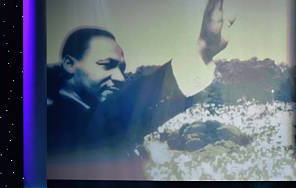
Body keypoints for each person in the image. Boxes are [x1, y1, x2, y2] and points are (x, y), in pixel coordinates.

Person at [47, 1, 227, 158]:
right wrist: (203, 49)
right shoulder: (57, 122)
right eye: (106, 64)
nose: (120, 77)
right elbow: (123, 112)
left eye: (122, 68)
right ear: (70, 64)